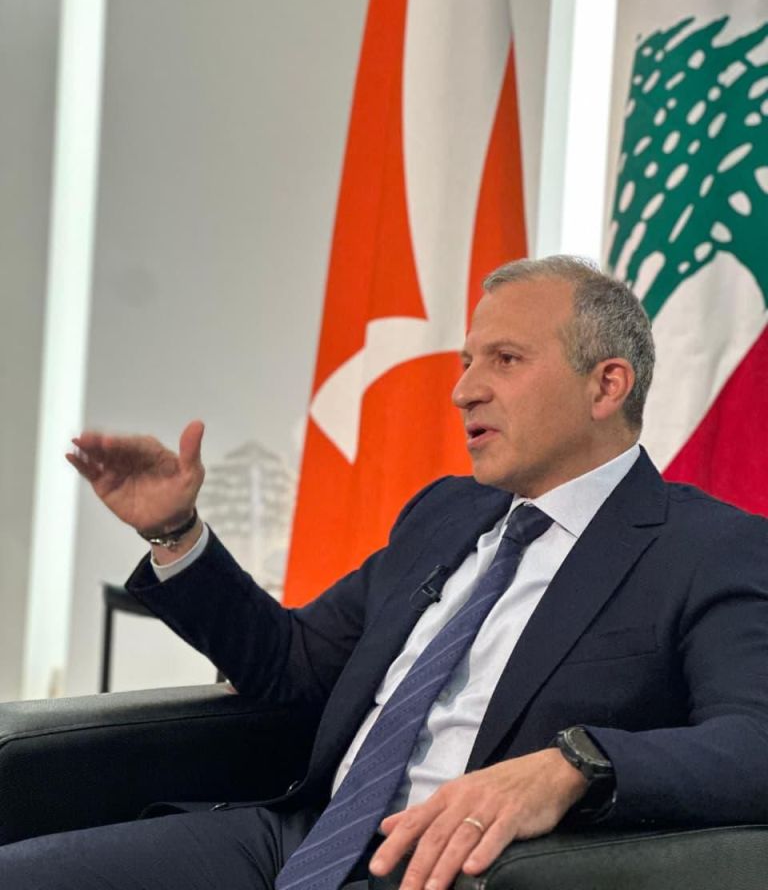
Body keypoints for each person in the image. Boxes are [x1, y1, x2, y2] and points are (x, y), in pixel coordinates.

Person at [3, 255, 768, 890]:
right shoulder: (446, 512)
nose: (463, 390)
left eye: (504, 360)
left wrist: (574, 766)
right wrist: (177, 533)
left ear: (607, 385)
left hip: (449, 871)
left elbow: (754, 741)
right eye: (467, 362)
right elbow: (294, 663)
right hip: (298, 839)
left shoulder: (708, 548)